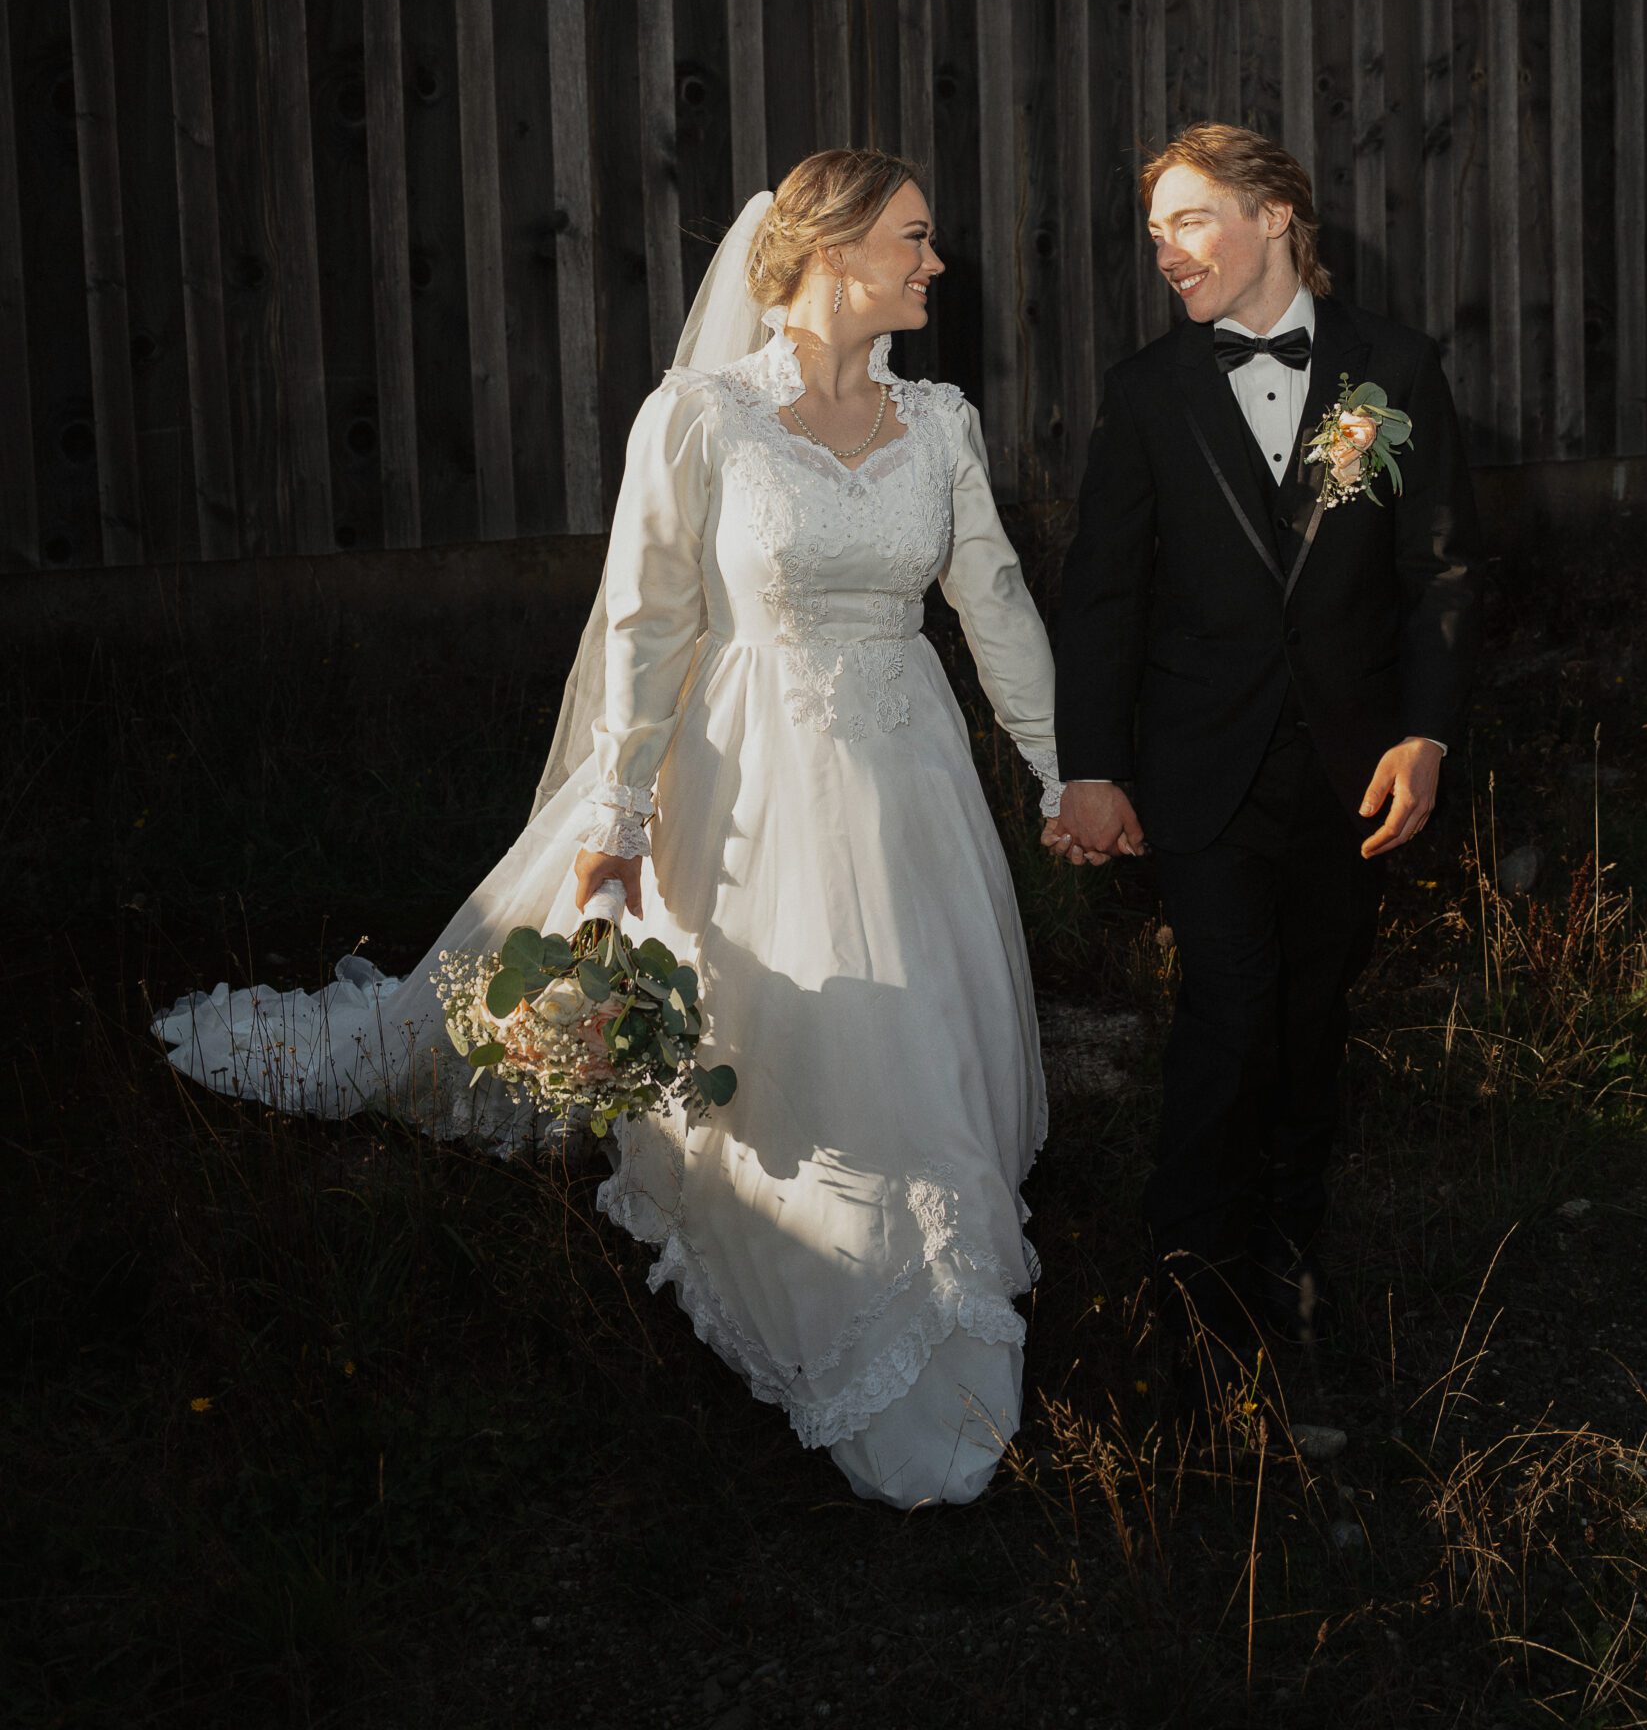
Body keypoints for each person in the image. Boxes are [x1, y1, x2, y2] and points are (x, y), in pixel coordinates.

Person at [157, 150, 1061, 1508]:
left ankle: (937, 1277)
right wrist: (621, 813)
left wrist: (1060, 775)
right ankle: (826, 1274)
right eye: (913, 240)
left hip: (910, 777)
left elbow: (989, 600)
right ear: (827, 250)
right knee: (784, 1030)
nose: (935, 265)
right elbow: (646, 625)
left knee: (926, 1023)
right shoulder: (699, 418)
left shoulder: (938, 422)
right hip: (750, 778)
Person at [1048, 123, 1481, 1409]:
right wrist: (1091, 767)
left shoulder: (1394, 369)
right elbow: (1103, 599)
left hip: (1350, 776)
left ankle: (1291, 1257)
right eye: (1156, 232)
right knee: (1230, 1010)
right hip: (1200, 773)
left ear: (1276, 214)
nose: (1165, 252)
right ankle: (1188, 1284)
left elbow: (1438, 570)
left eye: (1189, 221)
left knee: (1312, 1016)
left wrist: (1426, 731)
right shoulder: (1145, 392)